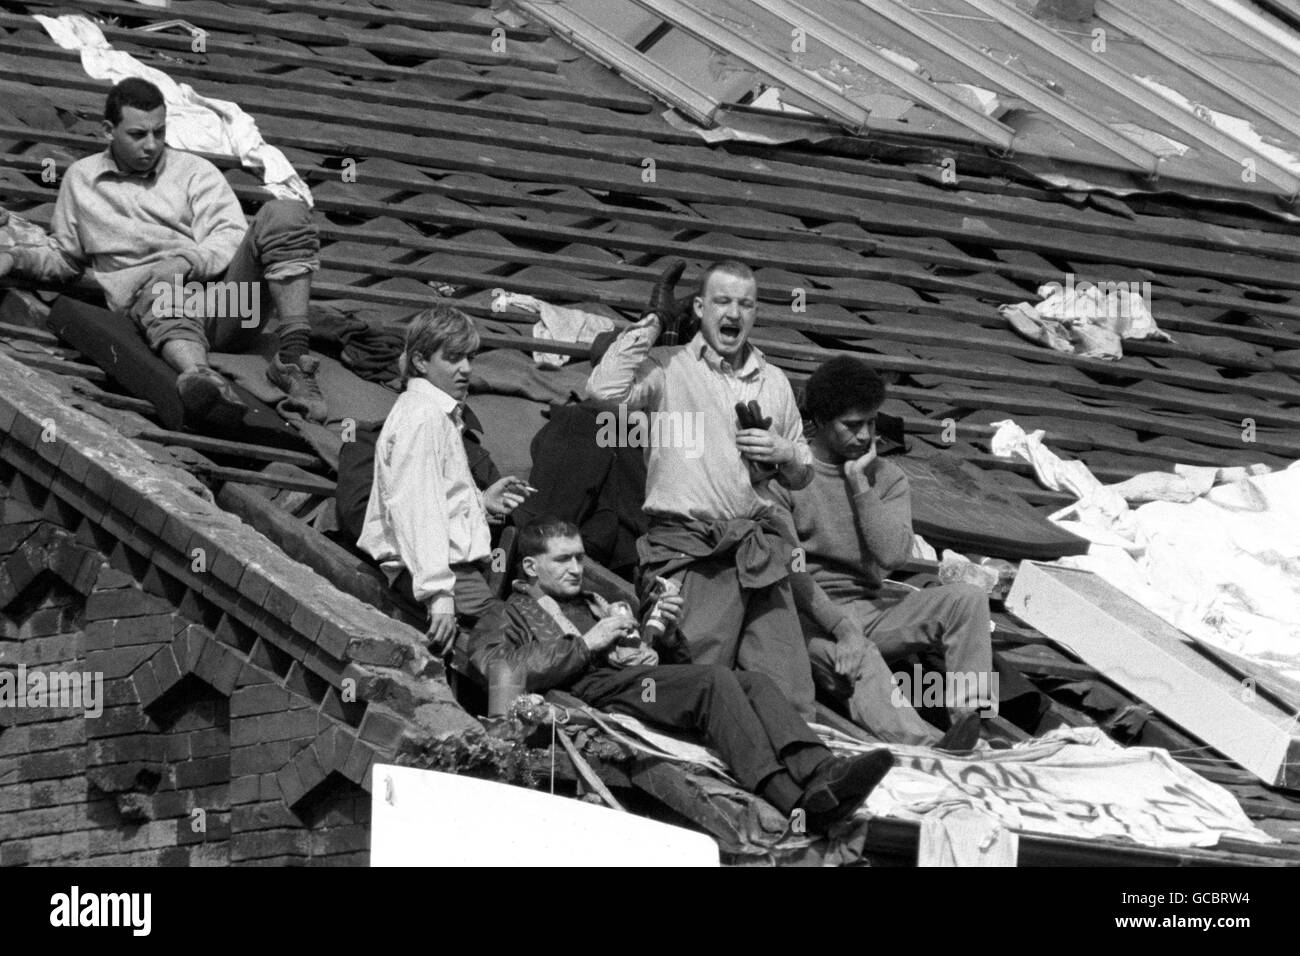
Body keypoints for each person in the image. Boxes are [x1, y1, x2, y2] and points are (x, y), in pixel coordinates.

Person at [469, 517, 894, 832]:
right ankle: (792, 799)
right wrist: (585, 644)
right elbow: (496, 667)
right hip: (588, 692)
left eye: (580, 557)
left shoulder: (597, 601)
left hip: (634, 683)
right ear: (528, 567)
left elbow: (664, 665)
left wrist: (665, 632)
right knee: (713, 681)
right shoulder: (507, 612)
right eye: (562, 559)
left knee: (754, 682)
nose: (576, 568)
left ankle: (821, 769)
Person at [0, 78, 326, 426]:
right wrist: (15, 256)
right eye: (138, 134)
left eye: (160, 131)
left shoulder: (194, 172)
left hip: (229, 305)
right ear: (109, 130)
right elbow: (65, 258)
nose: (152, 144)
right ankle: (200, 379)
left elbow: (230, 234)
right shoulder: (81, 181)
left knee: (287, 211)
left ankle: (293, 360)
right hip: (157, 306)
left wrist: (185, 262)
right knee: (160, 292)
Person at [585, 259, 818, 719]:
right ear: (699, 307)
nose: (734, 313)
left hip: (757, 551)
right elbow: (602, 392)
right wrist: (655, 324)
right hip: (691, 550)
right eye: (723, 301)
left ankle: (804, 772)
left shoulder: (773, 382)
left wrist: (784, 452)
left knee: (787, 687)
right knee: (695, 681)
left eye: (746, 304)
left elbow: (804, 471)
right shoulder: (668, 368)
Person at [770, 356, 995, 746]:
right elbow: (792, 571)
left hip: (872, 608)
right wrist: (844, 630)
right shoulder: (789, 474)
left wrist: (860, 485)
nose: (864, 436)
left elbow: (891, 555)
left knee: (968, 600)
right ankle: (926, 746)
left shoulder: (886, 478)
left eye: (871, 424)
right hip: (806, 617)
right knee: (863, 657)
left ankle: (970, 720)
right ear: (820, 421)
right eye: (852, 426)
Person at [357, 304, 531, 654]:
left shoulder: (437, 414)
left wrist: (480, 503)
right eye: (453, 358)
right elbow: (416, 508)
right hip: (443, 572)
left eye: (470, 357)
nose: (465, 369)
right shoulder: (423, 417)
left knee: (526, 631)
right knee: (522, 637)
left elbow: (435, 497)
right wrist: (438, 593)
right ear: (421, 361)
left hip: (447, 571)